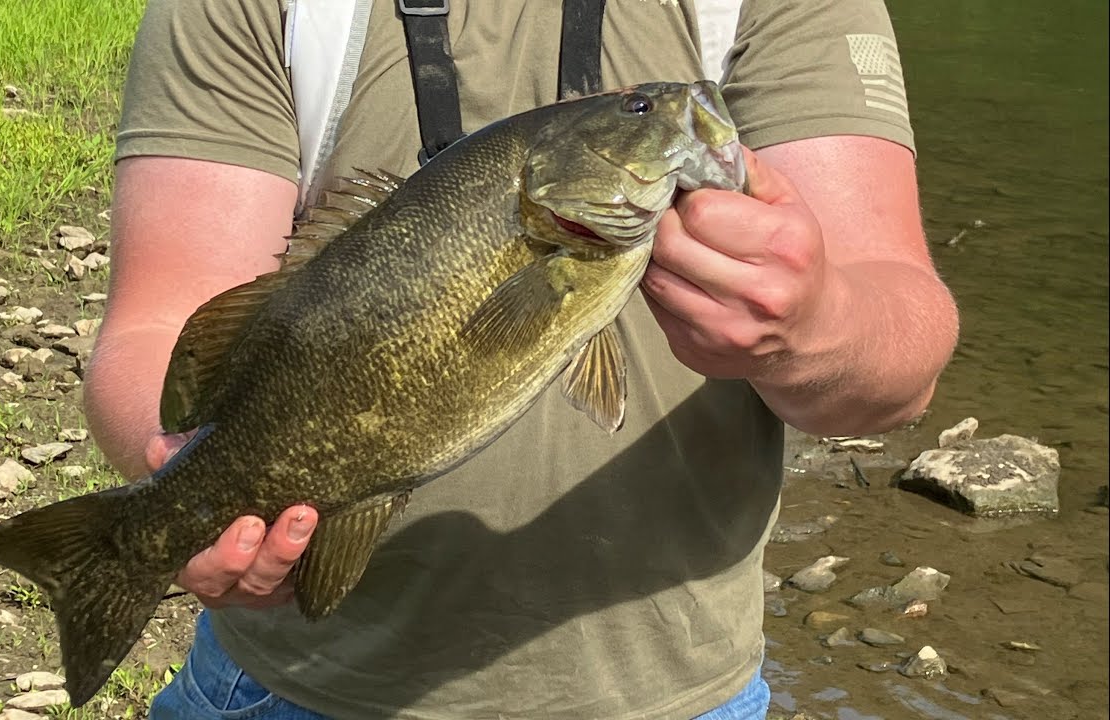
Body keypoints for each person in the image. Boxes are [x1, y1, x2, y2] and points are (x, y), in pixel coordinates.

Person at [85, 1, 960, 718]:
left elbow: (900, 362)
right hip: (288, 690)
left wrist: (814, 323)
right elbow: (161, 324)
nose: (664, 111)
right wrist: (186, 495)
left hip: (678, 697)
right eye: (636, 112)